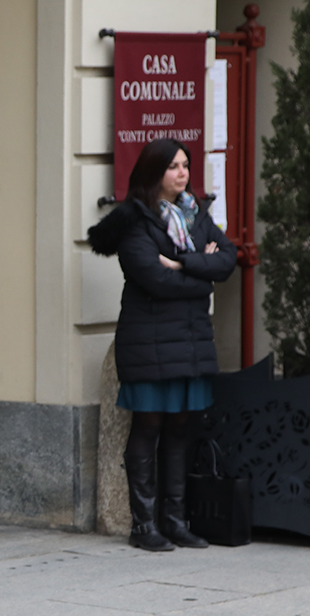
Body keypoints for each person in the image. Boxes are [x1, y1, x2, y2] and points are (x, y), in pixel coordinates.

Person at [88, 138, 237, 551]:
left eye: (186, 165)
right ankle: (143, 526)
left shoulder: (196, 214)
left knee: (179, 428)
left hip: (188, 342)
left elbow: (227, 259)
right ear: (154, 172)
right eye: (174, 166)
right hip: (149, 342)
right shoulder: (134, 222)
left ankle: (173, 521)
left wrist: (183, 262)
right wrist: (200, 275)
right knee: (148, 425)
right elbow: (154, 279)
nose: (183, 173)